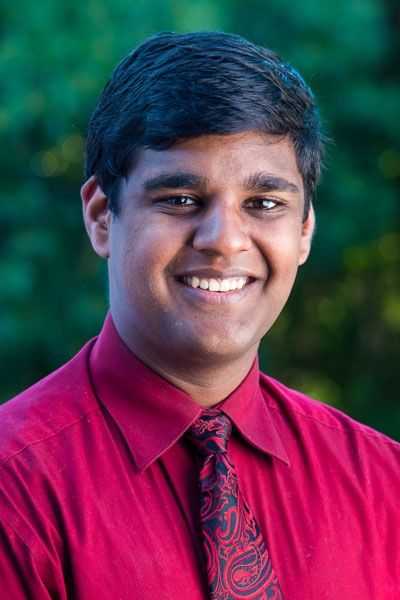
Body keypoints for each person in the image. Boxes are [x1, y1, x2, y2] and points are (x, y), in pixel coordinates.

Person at [0, 31, 398, 600]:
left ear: (305, 231)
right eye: (181, 199)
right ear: (102, 217)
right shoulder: (15, 493)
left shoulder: (383, 487)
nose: (224, 240)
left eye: (264, 204)